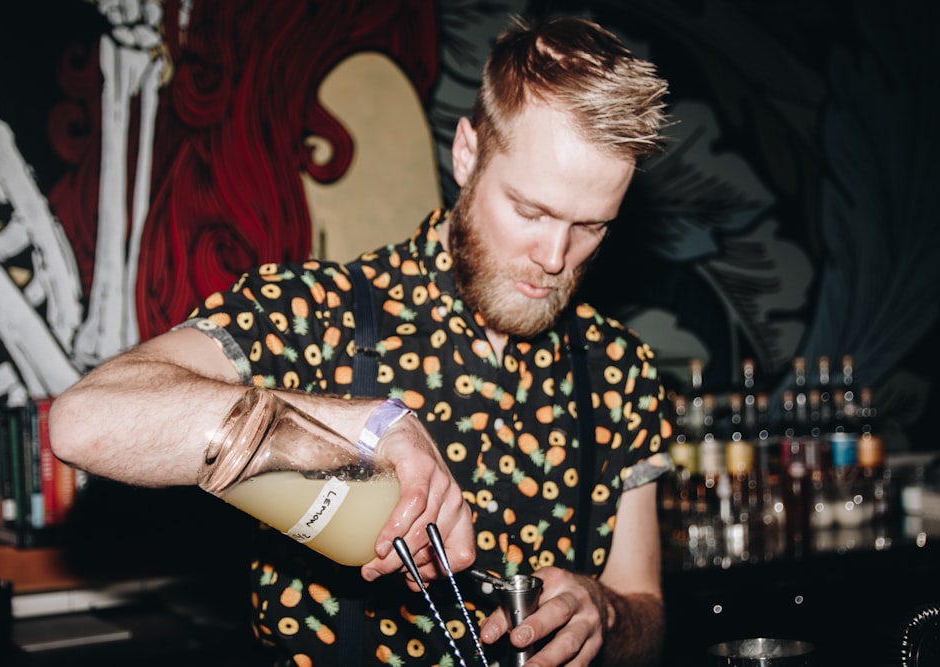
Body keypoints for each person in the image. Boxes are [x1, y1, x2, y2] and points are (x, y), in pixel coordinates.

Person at [50, 14, 672, 667]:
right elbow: (86, 422)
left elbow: (647, 616)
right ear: (468, 153)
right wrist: (367, 425)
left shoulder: (618, 367)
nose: (555, 256)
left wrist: (604, 610)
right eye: (530, 210)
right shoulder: (313, 312)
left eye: (591, 227)